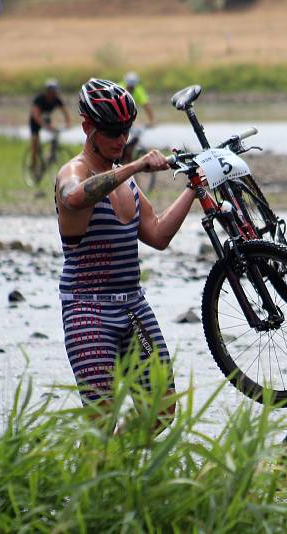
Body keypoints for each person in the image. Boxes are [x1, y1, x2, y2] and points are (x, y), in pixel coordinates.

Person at [55, 79, 196, 423]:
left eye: (126, 131)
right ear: (87, 126)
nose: (121, 140)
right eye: (112, 132)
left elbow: (159, 235)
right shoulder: (73, 171)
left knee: (161, 412)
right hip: (88, 311)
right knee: (100, 421)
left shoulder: (125, 181)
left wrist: (194, 187)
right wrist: (134, 166)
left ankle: (118, 469)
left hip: (133, 308)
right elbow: (74, 197)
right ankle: (97, 469)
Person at [29, 79, 71, 173]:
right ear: (47, 92)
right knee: (35, 141)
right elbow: (35, 115)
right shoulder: (39, 99)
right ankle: (33, 163)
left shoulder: (57, 99)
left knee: (55, 134)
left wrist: (68, 123)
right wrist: (45, 125)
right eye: (51, 92)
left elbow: (65, 112)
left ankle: (51, 154)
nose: (53, 94)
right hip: (35, 121)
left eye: (55, 92)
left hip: (46, 119)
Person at [120, 71, 155, 164]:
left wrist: (151, 120)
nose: (131, 88)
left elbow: (147, 106)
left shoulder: (138, 90)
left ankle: (128, 157)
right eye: (129, 86)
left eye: (133, 87)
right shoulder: (120, 88)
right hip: (119, 116)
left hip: (130, 117)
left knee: (136, 135)